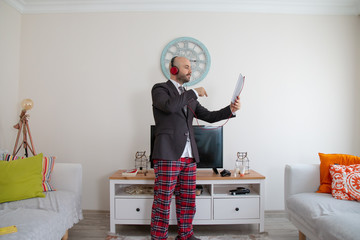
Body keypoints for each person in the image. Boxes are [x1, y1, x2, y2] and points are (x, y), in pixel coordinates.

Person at [150, 56, 241, 240]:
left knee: (187, 201)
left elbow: (209, 115)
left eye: (190, 67)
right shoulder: (160, 89)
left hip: (189, 157)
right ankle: (158, 237)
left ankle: (186, 235)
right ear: (173, 70)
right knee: (163, 201)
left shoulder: (188, 96)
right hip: (168, 155)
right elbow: (169, 107)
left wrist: (231, 110)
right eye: (186, 67)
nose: (190, 71)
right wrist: (193, 92)